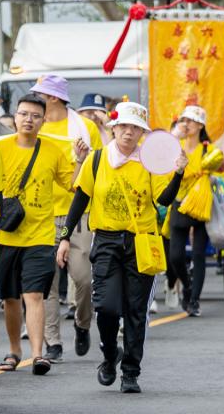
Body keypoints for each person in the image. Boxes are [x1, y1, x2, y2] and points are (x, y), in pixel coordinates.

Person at [59, 101, 185, 393]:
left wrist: (177, 174)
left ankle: (130, 371)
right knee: (106, 307)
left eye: (135, 128)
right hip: (105, 240)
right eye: (124, 126)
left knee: (136, 310)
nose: (129, 133)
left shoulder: (150, 163)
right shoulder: (97, 159)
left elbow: (163, 201)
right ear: (113, 128)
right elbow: (80, 199)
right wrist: (65, 237)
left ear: (142, 132)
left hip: (140, 242)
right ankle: (109, 356)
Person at [0, 94, 73, 374]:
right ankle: (14, 351)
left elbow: (72, 184)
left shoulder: (52, 151)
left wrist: (82, 161)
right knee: (10, 298)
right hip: (5, 236)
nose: (29, 120)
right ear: (14, 117)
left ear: (43, 120)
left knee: (34, 294)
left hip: (40, 237)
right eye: (24, 114)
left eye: (36, 116)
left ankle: (38, 354)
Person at [35, 74, 100, 359]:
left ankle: (83, 325)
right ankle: (53, 342)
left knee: (83, 278)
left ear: (52, 97)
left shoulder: (85, 128)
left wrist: (82, 160)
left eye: (39, 94)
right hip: (42, 214)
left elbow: (100, 170)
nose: (34, 98)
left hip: (79, 213)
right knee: (46, 282)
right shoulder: (34, 125)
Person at [165, 107, 224, 317]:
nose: (186, 124)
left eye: (191, 121)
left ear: (200, 125)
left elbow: (222, 170)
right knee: (176, 256)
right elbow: (160, 160)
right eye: (183, 120)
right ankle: (187, 286)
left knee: (199, 254)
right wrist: (173, 137)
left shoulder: (208, 149)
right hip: (179, 203)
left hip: (201, 204)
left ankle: (194, 300)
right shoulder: (175, 146)